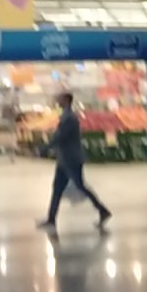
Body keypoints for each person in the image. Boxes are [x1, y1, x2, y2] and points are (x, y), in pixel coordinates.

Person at [37, 92, 111, 234]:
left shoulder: (69, 118)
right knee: (57, 189)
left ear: (66, 100)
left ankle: (103, 210)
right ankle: (51, 219)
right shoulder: (66, 116)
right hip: (64, 159)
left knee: (80, 186)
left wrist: (43, 149)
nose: (57, 100)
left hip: (71, 159)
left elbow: (60, 137)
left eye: (59, 98)